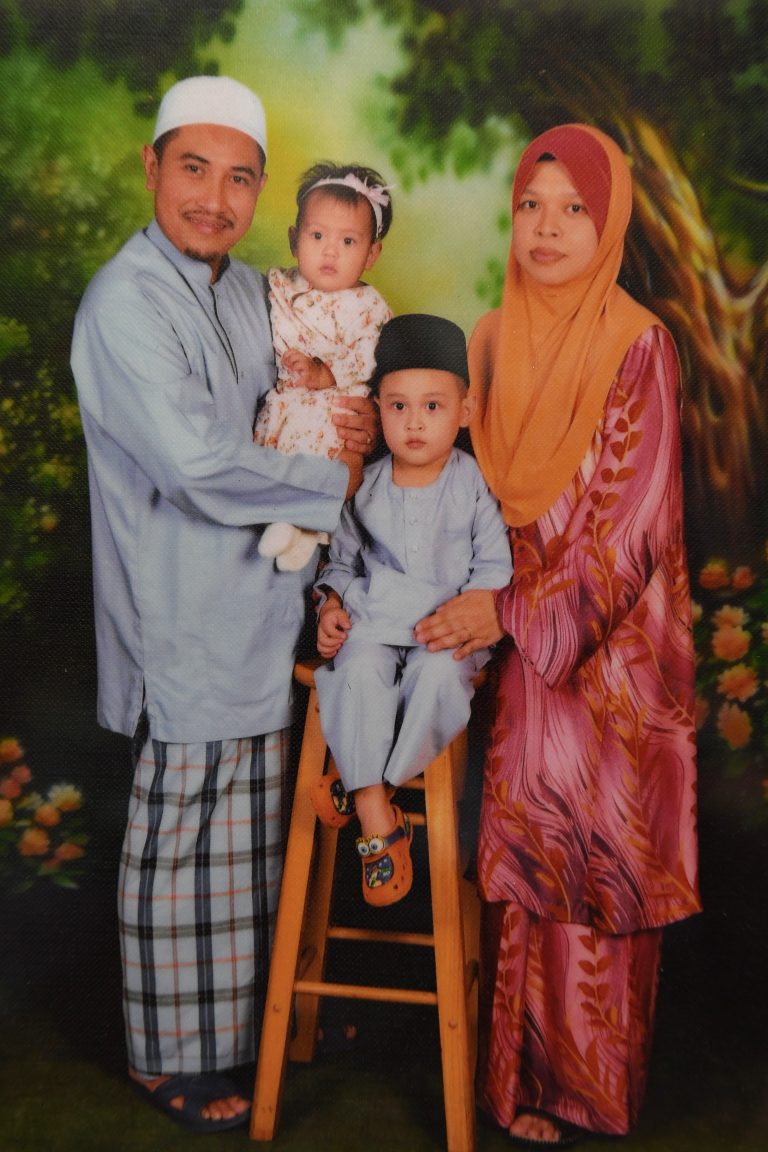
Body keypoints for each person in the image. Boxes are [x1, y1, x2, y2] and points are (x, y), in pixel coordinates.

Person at [70, 75, 376, 1132]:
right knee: (182, 843)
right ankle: (167, 1057)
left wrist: (355, 418)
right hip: (179, 614)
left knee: (248, 842)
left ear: (261, 194)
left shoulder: (253, 290)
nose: (214, 197)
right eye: (193, 169)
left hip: (261, 604)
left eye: (240, 177)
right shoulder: (125, 300)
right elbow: (198, 464)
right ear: (152, 167)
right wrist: (339, 480)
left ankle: (258, 1018)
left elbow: (309, 384)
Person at [413, 125, 700, 1145]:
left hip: (611, 661)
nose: (547, 228)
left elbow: (630, 531)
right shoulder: (490, 339)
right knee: (526, 865)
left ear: (609, 223)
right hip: (518, 657)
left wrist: (509, 610)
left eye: (574, 209)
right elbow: (452, 484)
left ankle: (585, 1091)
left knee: (596, 866)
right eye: (531, 205)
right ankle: (516, 1087)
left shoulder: (638, 343)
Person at [312, 314, 513, 906]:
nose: (415, 422)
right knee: (356, 670)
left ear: (465, 411)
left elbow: (493, 570)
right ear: (378, 409)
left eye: (432, 406)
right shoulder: (364, 487)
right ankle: (377, 811)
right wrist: (330, 606)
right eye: (398, 407)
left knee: (439, 681)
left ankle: (366, 788)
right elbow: (340, 564)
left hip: (445, 636)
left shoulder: (474, 485)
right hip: (373, 626)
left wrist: (475, 615)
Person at [253, 161, 393, 571]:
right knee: (275, 459)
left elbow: (370, 356)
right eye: (317, 236)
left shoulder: (368, 306)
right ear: (294, 240)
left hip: (333, 406)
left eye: (348, 241)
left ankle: (308, 531)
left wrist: (323, 373)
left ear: (371, 254)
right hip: (286, 403)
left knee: (327, 463)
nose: (330, 251)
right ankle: (292, 530)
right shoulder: (281, 286)